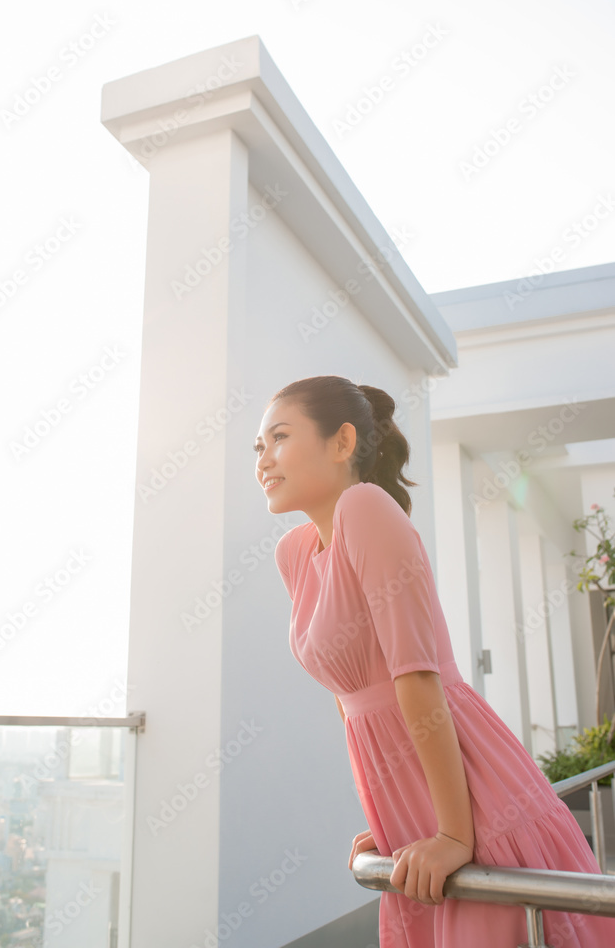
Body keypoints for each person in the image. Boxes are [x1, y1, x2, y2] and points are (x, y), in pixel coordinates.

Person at [254, 374, 615, 947]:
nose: (263, 460)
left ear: (342, 442)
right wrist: (387, 817)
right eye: (258, 447)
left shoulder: (365, 507)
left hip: (469, 788)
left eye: (278, 438)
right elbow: (349, 703)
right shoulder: (295, 553)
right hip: (405, 795)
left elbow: (416, 676)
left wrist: (452, 832)